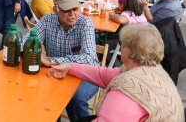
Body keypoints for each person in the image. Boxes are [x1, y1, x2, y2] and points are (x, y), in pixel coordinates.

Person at [47, 23, 184, 122]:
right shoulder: (151, 70)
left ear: (128, 51)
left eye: (121, 43)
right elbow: (103, 74)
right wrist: (70, 67)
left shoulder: (125, 92)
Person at [22, 0, 98, 121]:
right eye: (66, 10)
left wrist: (52, 61)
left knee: (76, 98)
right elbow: (25, 41)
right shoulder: (48, 20)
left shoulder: (85, 23)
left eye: (75, 8)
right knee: (37, 93)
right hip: (55, 73)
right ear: (55, 9)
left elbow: (89, 58)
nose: (72, 14)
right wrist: (35, 52)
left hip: (86, 72)